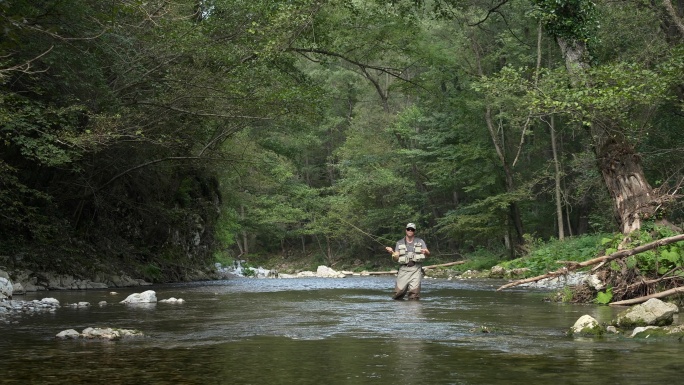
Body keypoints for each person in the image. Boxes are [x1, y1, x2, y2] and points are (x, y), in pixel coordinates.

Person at [385, 222, 430, 300]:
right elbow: (396, 258)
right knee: (398, 294)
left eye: (412, 229)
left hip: (416, 269)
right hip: (403, 269)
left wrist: (426, 252)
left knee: (414, 294)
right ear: (406, 230)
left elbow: (428, 254)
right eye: (408, 229)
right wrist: (392, 252)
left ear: (414, 231)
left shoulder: (420, 241)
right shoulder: (399, 242)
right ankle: (400, 311)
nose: (410, 231)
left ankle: (413, 311)